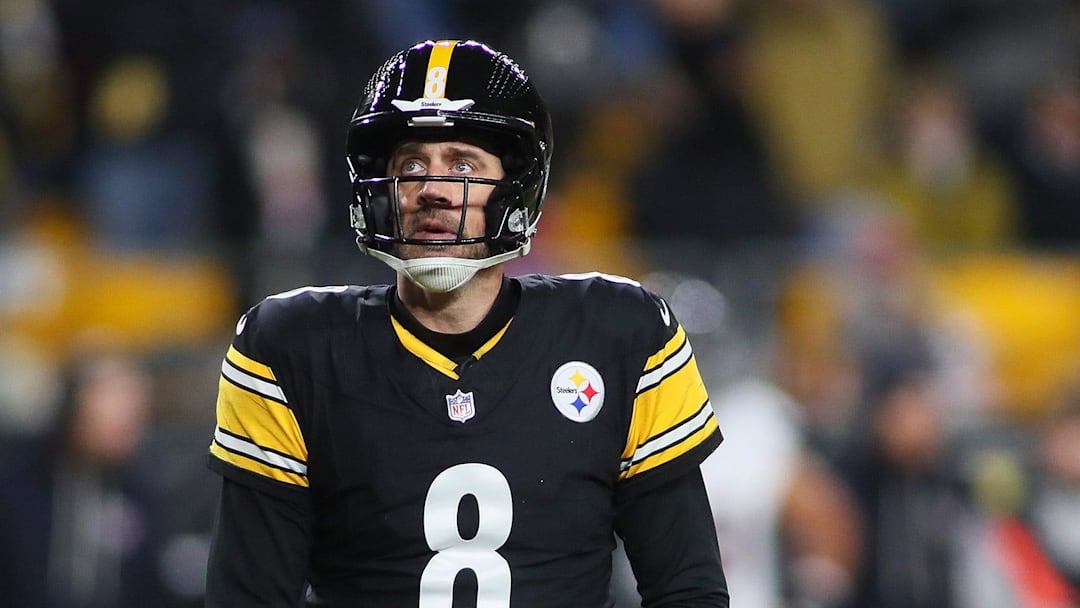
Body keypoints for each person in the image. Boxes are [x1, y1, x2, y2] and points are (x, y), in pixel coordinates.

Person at [204, 39, 729, 607]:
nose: (432, 188)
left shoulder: (623, 334)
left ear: (516, 186)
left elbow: (687, 590)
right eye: (411, 164)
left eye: (462, 163)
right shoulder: (290, 346)